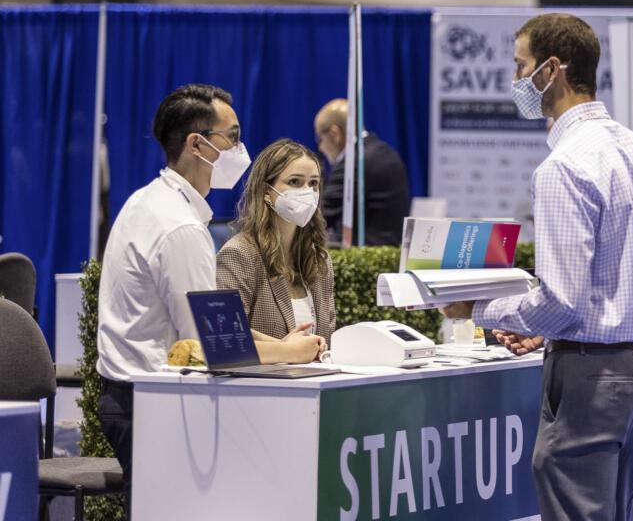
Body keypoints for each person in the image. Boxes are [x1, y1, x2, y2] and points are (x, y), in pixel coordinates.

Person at [442, 13, 633, 521]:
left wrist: (476, 308)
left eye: (521, 66)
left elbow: (560, 301)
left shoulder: (564, 166)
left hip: (589, 374)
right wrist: (546, 328)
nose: (517, 80)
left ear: (551, 69)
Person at [96, 85, 324, 513]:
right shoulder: (179, 227)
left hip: (138, 395)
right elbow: (214, 343)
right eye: (232, 137)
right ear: (197, 145)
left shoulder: (149, 202)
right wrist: (290, 351)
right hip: (150, 402)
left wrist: (284, 345)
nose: (240, 149)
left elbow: (218, 324)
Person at [216, 138, 336, 341]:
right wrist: (285, 350)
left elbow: (328, 338)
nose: (307, 191)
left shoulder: (320, 261)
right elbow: (227, 335)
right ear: (266, 191)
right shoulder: (238, 255)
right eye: (295, 182)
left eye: (313, 183)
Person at [314, 98, 411, 246]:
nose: (320, 148)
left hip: (367, 252)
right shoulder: (383, 151)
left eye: (320, 139)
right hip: (391, 250)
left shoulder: (354, 163)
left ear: (335, 133)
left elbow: (320, 216)